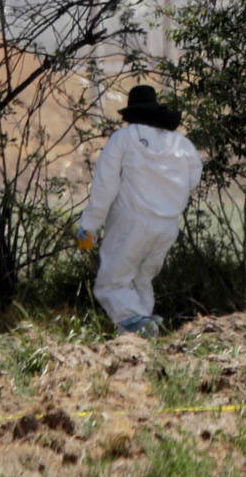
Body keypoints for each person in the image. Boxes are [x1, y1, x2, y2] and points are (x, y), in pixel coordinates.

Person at [76, 85, 203, 335]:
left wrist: (88, 228)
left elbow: (104, 187)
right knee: (140, 281)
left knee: (111, 285)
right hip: (167, 226)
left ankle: (138, 325)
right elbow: (192, 181)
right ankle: (139, 347)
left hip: (130, 222)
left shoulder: (123, 139)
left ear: (131, 113)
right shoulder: (181, 143)